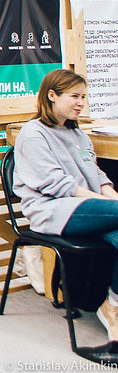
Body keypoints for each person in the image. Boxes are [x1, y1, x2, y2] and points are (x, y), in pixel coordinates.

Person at [13, 69, 118, 362]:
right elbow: (57, 185)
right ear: (52, 96)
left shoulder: (77, 134)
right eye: (74, 96)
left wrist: (111, 198)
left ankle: (113, 309)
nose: (80, 103)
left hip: (85, 208)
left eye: (83, 97)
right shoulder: (33, 134)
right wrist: (103, 202)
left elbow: (97, 175)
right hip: (52, 211)